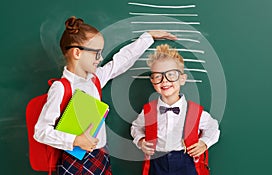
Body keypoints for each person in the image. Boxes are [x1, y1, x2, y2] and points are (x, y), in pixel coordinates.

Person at [34, 16, 177, 175]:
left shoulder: (94, 80)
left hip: (100, 155)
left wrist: (148, 37)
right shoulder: (61, 88)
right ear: (77, 53)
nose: (100, 59)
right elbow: (41, 132)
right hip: (75, 160)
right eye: (97, 54)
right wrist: (76, 140)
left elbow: (120, 62)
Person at [131, 44, 220, 175]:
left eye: (171, 75)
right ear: (152, 81)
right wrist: (140, 141)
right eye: (158, 76)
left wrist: (204, 143)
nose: (164, 81)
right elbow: (136, 127)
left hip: (186, 162)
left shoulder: (194, 111)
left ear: (182, 79)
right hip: (157, 162)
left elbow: (213, 127)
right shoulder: (148, 111)